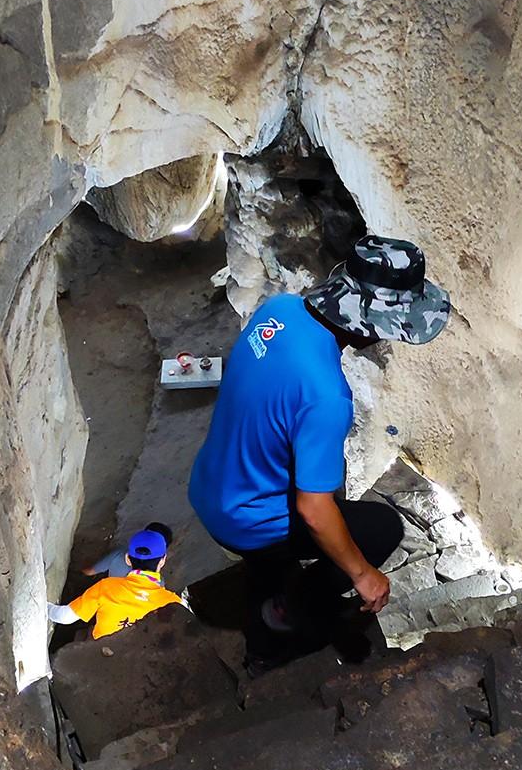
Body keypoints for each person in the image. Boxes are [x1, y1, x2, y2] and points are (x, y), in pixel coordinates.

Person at [188, 235, 450, 665]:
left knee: (312, 510)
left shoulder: (280, 310)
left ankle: (271, 589)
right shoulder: (327, 396)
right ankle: (281, 625)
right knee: (382, 529)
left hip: (212, 480)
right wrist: (364, 576)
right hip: (245, 517)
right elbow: (312, 509)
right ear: (369, 326)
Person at [48, 529, 181, 641]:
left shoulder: (106, 587)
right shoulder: (173, 602)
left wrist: (42, 606)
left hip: (99, 658)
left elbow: (63, 617)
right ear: (163, 561)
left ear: (128, 559)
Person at [80, 521, 174, 579]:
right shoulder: (160, 586)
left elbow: (89, 571)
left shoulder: (119, 554)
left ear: (127, 558)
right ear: (162, 560)